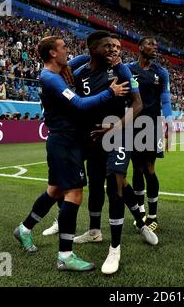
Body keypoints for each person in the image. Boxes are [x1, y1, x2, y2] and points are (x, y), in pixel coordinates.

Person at [13, 36, 129, 272]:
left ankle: (24, 229)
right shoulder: (50, 78)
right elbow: (79, 104)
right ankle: (65, 255)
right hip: (64, 142)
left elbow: (84, 58)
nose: (68, 51)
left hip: (66, 141)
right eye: (64, 48)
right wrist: (110, 92)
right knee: (74, 194)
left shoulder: (62, 70)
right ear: (53, 53)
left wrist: (101, 52)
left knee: (55, 190)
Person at [70, 31, 158, 275]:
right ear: (93, 49)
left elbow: (138, 104)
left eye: (117, 46)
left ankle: (115, 248)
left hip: (119, 135)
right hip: (93, 139)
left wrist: (115, 126)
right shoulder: (80, 75)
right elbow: (78, 104)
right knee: (97, 184)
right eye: (108, 46)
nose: (115, 50)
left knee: (115, 184)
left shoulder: (123, 71)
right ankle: (99, 230)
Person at [126, 36, 173, 231]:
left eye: (156, 44)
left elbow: (166, 99)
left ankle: (153, 216)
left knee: (149, 168)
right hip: (132, 124)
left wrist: (169, 122)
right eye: (150, 44)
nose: (155, 47)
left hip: (152, 123)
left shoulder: (161, 72)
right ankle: (141, 213)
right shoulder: (128, 69)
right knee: (136, 168)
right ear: (140, 47)